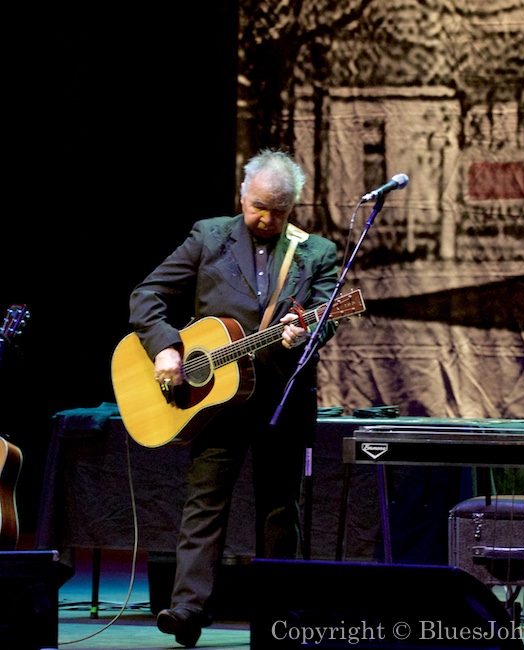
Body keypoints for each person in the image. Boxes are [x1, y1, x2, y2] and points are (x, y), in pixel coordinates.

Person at [129, 149, 339, 647]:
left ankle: (277, 615)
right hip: (216, 400)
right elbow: (146, 296)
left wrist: (303, 333)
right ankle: (186, 609)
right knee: (204, 502)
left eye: (279, 211)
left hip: (282, 398)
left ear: (293, 208)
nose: (267, 219)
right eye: (258, 206)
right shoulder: (209, 236)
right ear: (242, 196)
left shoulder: (317, 253)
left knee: (279, 507)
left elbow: (326, 317)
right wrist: (166, 348)